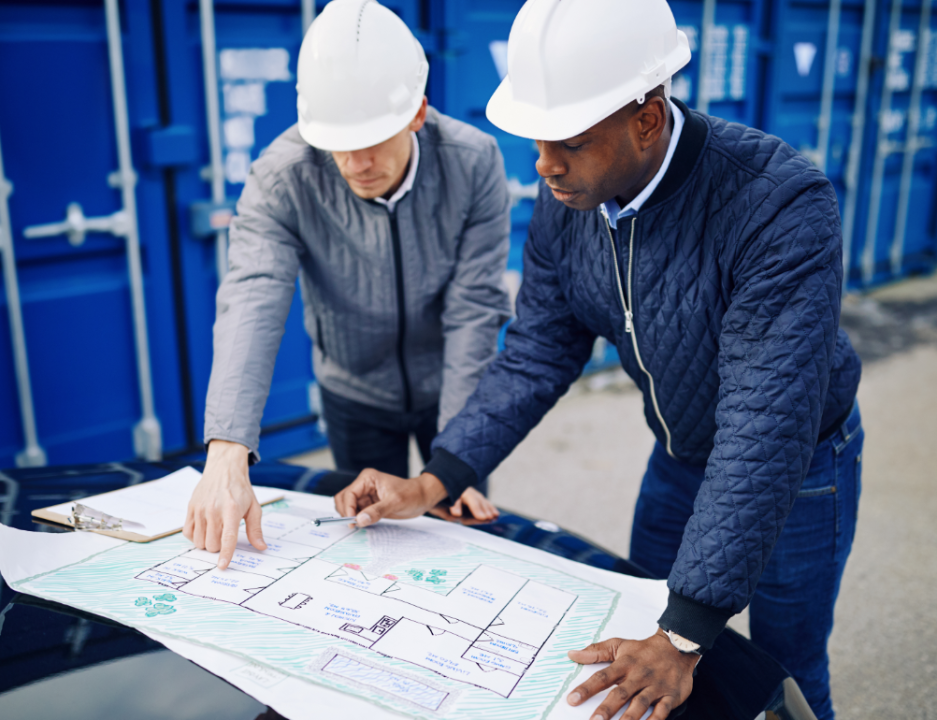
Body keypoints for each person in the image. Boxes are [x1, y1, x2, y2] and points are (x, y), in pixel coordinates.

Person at [333, 1, 864, 719]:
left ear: (646, 118)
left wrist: (685, 630)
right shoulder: (572, 198)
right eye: (538, 141)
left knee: (783, 672)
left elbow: (763, 427)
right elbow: (538, 351)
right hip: (678, 457)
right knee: (643, 646)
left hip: (800, 472)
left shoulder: (777, 207)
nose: (545, 167)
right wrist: (435, 479)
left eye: (571, 143)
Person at [185, 0, 510, 568]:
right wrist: (227, 453)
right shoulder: (281, 177)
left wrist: (453, 465)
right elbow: (252, 297)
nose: (357, 162)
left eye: (375, 139)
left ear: (417, 114)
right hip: (355, 392)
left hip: (453, 387)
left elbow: (474, 311)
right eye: (339, 142)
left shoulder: (473, 161)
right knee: (369, 542)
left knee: (458, 537)